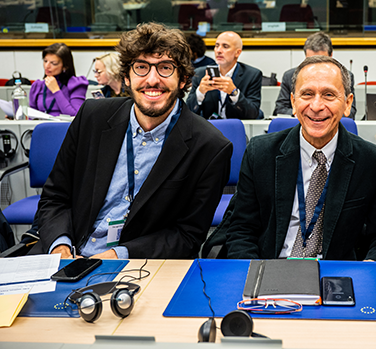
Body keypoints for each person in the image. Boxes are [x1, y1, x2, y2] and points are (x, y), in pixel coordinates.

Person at [33, 23, 233, 259]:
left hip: (139, 265)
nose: (152, 80)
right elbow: (55, 197)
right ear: (126, 77)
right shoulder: (92, 117)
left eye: (165, 68)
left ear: (183, 80)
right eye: (141, 67)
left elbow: (187, 236)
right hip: (65, 252)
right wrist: (61, 248)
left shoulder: (210, 147)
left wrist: (116, 256)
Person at [219, 56, 376, 260]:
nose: (316, 106)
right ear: (293, 101)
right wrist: (255, 271)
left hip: (336, 269)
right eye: (307, 94)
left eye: (328, 95)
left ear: (347, 103)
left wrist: (369, 267)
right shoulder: (260, 153)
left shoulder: (371, 161)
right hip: (272, 264)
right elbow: (241, 229)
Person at [274, 32, 357, 118]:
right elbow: (280, 109)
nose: (316, 108)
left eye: (322, 60)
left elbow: (350, 111)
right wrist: (303, 113)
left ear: (331, 55)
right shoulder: (290, 76)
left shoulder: (343, 76)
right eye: (310, 61)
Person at [187, 31, 262, 119]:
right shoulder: (201, 74)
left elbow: (253, 114)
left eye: (225, 46)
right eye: (217, 46)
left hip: (236, 125)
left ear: (237, 53)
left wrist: (234, 93)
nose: (219, 51)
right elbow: (188, 112)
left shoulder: (252, 75)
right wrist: (200, 92)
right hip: (208, 126)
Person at [29, 43, 88, 116]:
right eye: (45, 61)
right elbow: (32, 115)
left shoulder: (76, 84)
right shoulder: (37, 86)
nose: (47, 66)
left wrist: (56, 91)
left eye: (53, 63)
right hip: (41, 123)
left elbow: (75, 115)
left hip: (66, 123)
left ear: (65, 67)